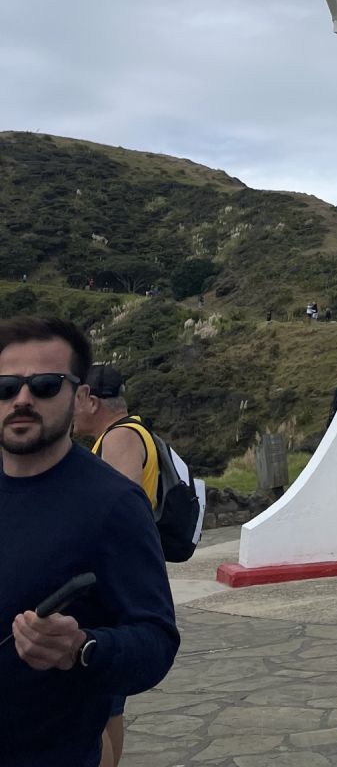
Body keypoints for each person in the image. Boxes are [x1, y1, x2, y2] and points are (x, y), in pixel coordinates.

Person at [0, 316, 179, 767]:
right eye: (6, 387)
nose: (22, 399)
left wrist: (81, 648)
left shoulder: (113, 504)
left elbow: (155, 641)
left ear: (80, 395)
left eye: (44, 385)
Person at [73, 364, 162, 767]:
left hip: (108, 584)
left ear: (91, 400)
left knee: (100, 705)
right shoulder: (131, 430)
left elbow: (115, 507)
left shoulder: (121, 437)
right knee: (107, 704)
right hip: (115, 579)